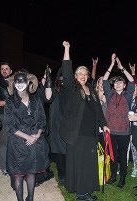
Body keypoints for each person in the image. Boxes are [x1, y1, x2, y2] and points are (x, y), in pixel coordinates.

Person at [58, 41, 109, 201]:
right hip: (76, 134)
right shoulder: (71, 89)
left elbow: (98, 110)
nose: (83, 76)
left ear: (88, 76)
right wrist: (67, 49)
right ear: (75, 76)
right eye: (79, 74)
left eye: (85, 74)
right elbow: (66, 70)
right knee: (79, 163)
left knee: (89, 163)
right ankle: (80, 194)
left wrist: (104, 124)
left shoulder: (92, 91)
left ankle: (87, 191)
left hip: (90, 134)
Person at [5, 71, 49, 201]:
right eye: (17, 81)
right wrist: (27, 137)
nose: (20, 84)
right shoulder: (10, 102)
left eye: (22, 81)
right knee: (18, 175)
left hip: (34, 141)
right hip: (18, 143)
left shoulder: (36, 100)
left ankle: (30, 198)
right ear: (14, 83)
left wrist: (37, 134)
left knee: (31, 171)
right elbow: (10, 125)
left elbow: (42, 119)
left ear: (28, 82)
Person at [103, 53, 134, 188]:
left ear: (124, 85)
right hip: (111, 131)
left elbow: (132, 81)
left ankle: (122, 178)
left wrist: (122, 68)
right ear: (114, 85)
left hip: (124, 132)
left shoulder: (127, 96)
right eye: (116, 82)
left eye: (120, 82)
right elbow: (104, 81)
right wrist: (111, 64)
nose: (118, 84)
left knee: (122, 156)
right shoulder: (110, 95)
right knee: (112, 155)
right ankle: (113, 176)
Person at [44, 67, 67, 186]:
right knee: (59, 153)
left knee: (69, 152)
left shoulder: (72, 91)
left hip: (69, 126)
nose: (63, 81)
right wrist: (48, 78)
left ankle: (69, 174)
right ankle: (62, 175)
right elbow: (48, 98)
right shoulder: (54, 91)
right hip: (57, 126)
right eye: (60, 79)